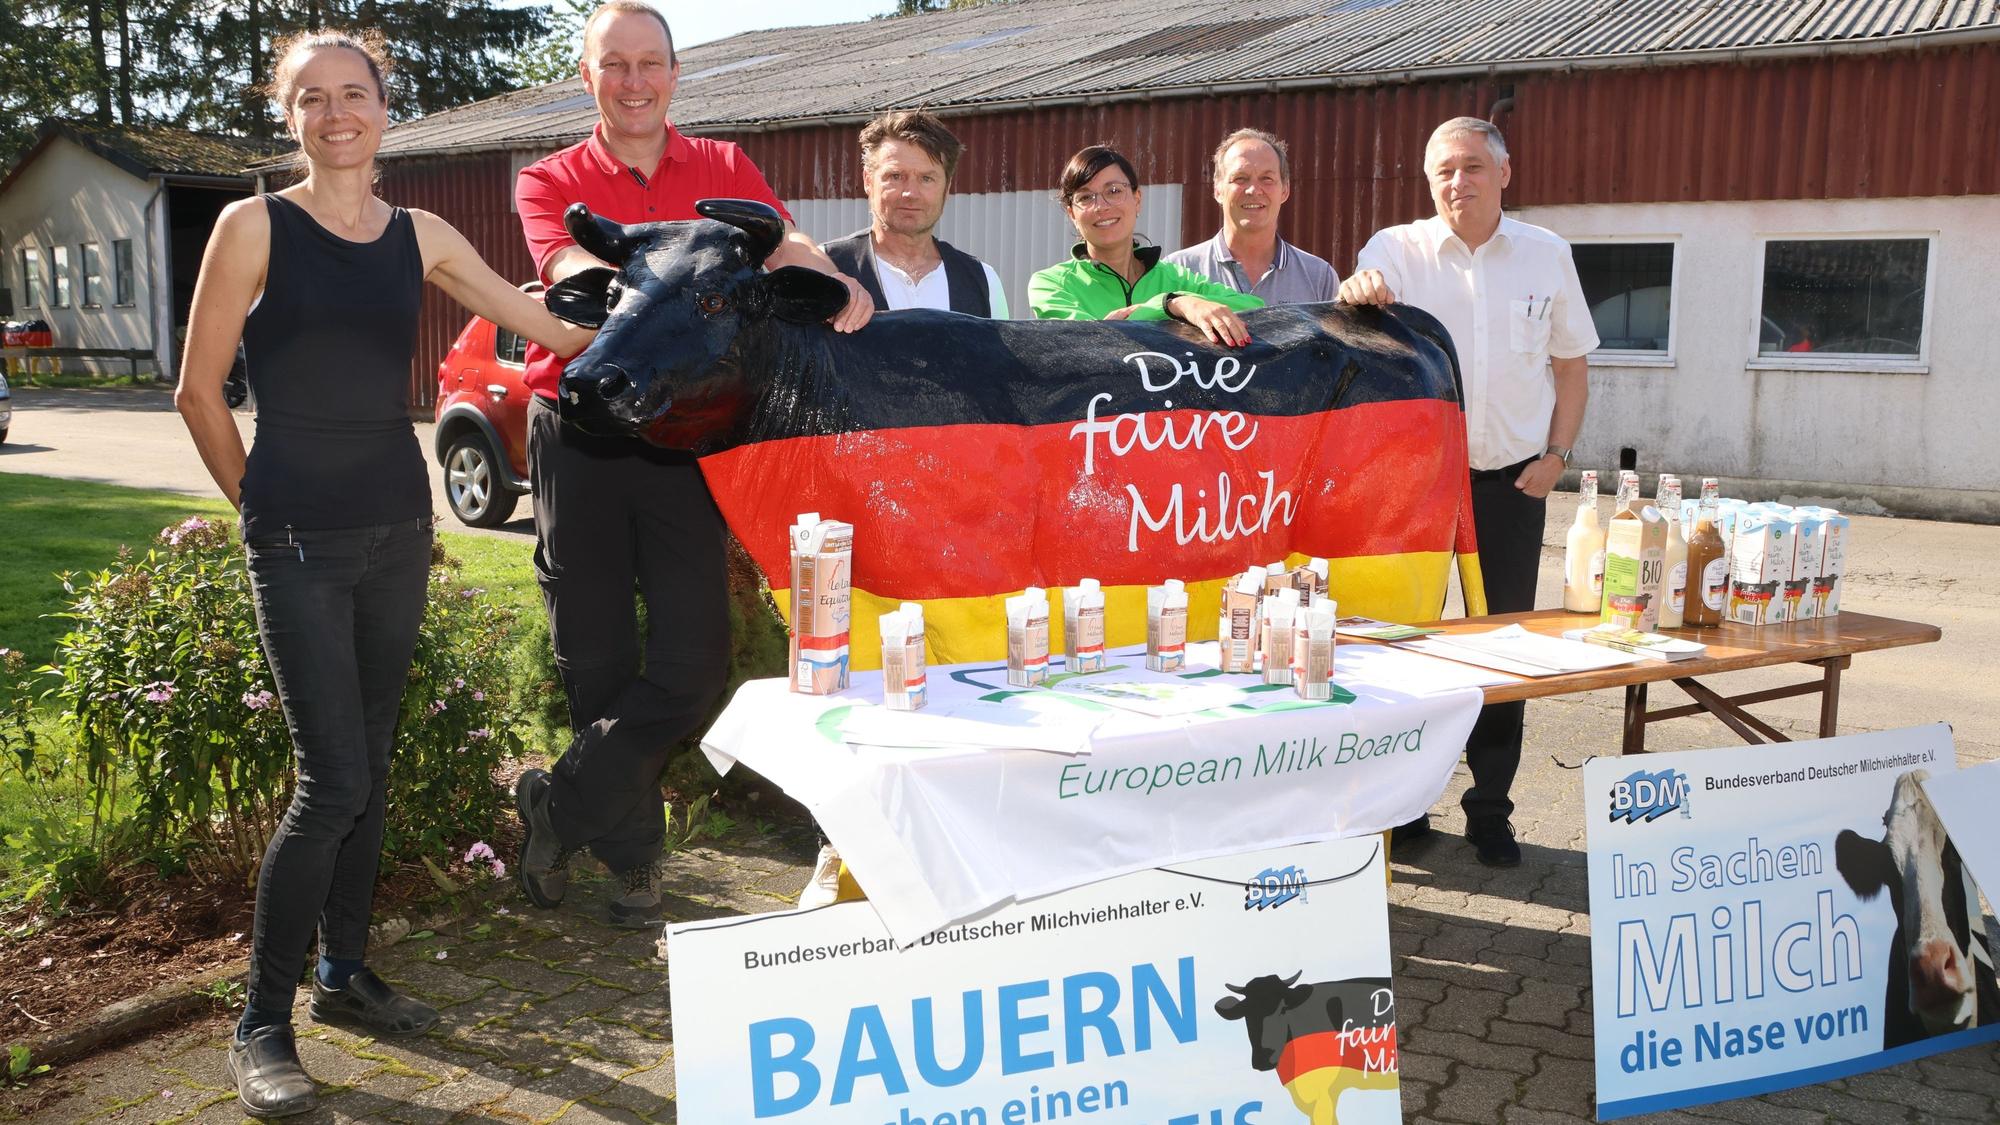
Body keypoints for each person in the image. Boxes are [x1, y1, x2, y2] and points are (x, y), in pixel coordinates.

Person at [175, 30, 595, 1118]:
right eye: (310, 98)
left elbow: (538, 320)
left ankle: (344, 974)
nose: (335, 113)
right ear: (289, 116)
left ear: (383, 109)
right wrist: (260, 509)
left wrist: (652, 329)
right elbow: (197, 391)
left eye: (352, 93)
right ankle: (261, 1024)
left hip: (396, 535)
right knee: (332, 783)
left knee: (369, 760)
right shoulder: (252, 225)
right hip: (298, 543)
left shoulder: (420, 234)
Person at [510, 1, 872, 929]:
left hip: (683, 435)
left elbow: (780, 239)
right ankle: (634, 861)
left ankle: (558, 809)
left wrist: (832, 276)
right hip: (581, 428)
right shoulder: (549, 179)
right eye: (613, 65)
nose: (634, 82)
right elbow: (565, 276)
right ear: (587, 77)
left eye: (650, 64)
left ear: (674, 74)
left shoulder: (718, 167)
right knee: (595, 656)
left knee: (695, 658)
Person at [1339, 116, 1596, 868]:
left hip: (1510, 483)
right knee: (1403, 646)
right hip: (1413, 490)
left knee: (1503, 647)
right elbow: (1354, 319)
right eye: (1445, 169)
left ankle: (1491, 808)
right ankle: (1404, 806)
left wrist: (1557, 454)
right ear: (1430, 181)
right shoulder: (1395, 250)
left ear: (1504, 174)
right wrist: (1359, 292)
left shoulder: (1547, 256)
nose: (1459, 181)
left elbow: (1572, 367)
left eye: (1473, 167)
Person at [1028, 144, 1263, 345]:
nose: (1101, 206)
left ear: (1137, 200)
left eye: (1114, 191)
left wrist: (1179, 298)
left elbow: (1256, 309)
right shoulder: (1051, 285)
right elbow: (1092, 341)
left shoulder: (1175, 278)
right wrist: (1171, 307)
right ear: (1071, 213)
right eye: (1085, 197)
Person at [822, 110, 1008, 316]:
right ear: (868, 180)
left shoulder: (983, 280)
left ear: (947, 188)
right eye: (895, 176)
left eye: (926, 179)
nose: (910, 193)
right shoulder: (824, 266)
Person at [1166, 128, 1339, 304]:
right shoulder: (1177, 270)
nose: (1254, 190)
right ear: (1218, 190)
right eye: (1240, 178)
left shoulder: (1319, 278)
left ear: (1285, 190)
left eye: (1267, 179)